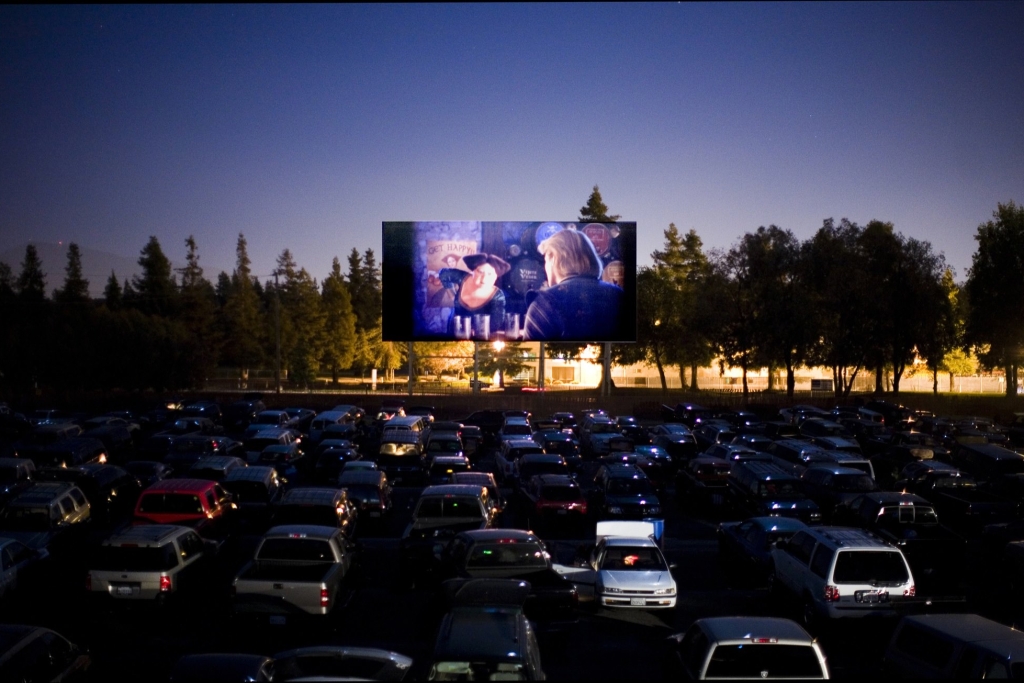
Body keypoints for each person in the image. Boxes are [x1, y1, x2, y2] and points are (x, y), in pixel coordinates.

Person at [523, 229, 624, 341]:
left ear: (553, 258)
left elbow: (531, 347)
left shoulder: (545, 303)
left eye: (546, 260)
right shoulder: (619, 294)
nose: (544, 267)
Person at [438, 253, 510, 339]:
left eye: (490, 274)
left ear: (496, 277)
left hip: (478, 337)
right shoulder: (463, 278)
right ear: (472, 271)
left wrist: (475, 330)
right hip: (454, 330)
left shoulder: (497, 296)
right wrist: (451, 293)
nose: (484, 279)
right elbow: (444, 273)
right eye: (480, 272)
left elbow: (496, 323)